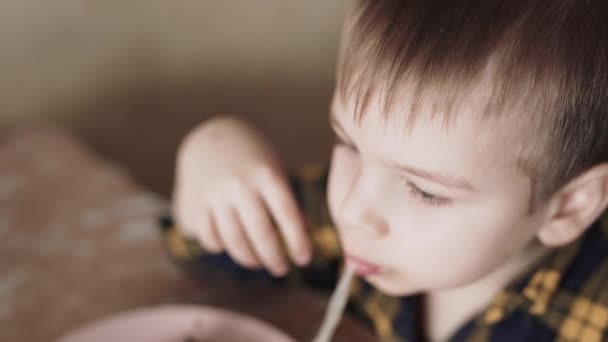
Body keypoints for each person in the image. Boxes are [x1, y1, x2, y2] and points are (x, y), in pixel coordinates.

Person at [161, 1, 608, 340]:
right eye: (349, 144)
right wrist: (210, 152)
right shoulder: (370, 228)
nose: (353, 209)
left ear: (568, 206)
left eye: (424, 190)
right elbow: (210, 251)